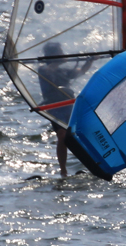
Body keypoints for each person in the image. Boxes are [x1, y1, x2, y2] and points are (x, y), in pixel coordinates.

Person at [37, 42, 96, 177]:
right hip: (54, 107)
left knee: (81, 132)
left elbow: (81, 71)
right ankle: (63, 171)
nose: (64, 54)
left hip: (69, 105)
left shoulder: (64, 71)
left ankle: (94, 164)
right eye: (60, 52)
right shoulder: (43, 70)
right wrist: (58, 60)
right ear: (53, 55)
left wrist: (90, 60)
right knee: (62, 134)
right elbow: (49, 70)